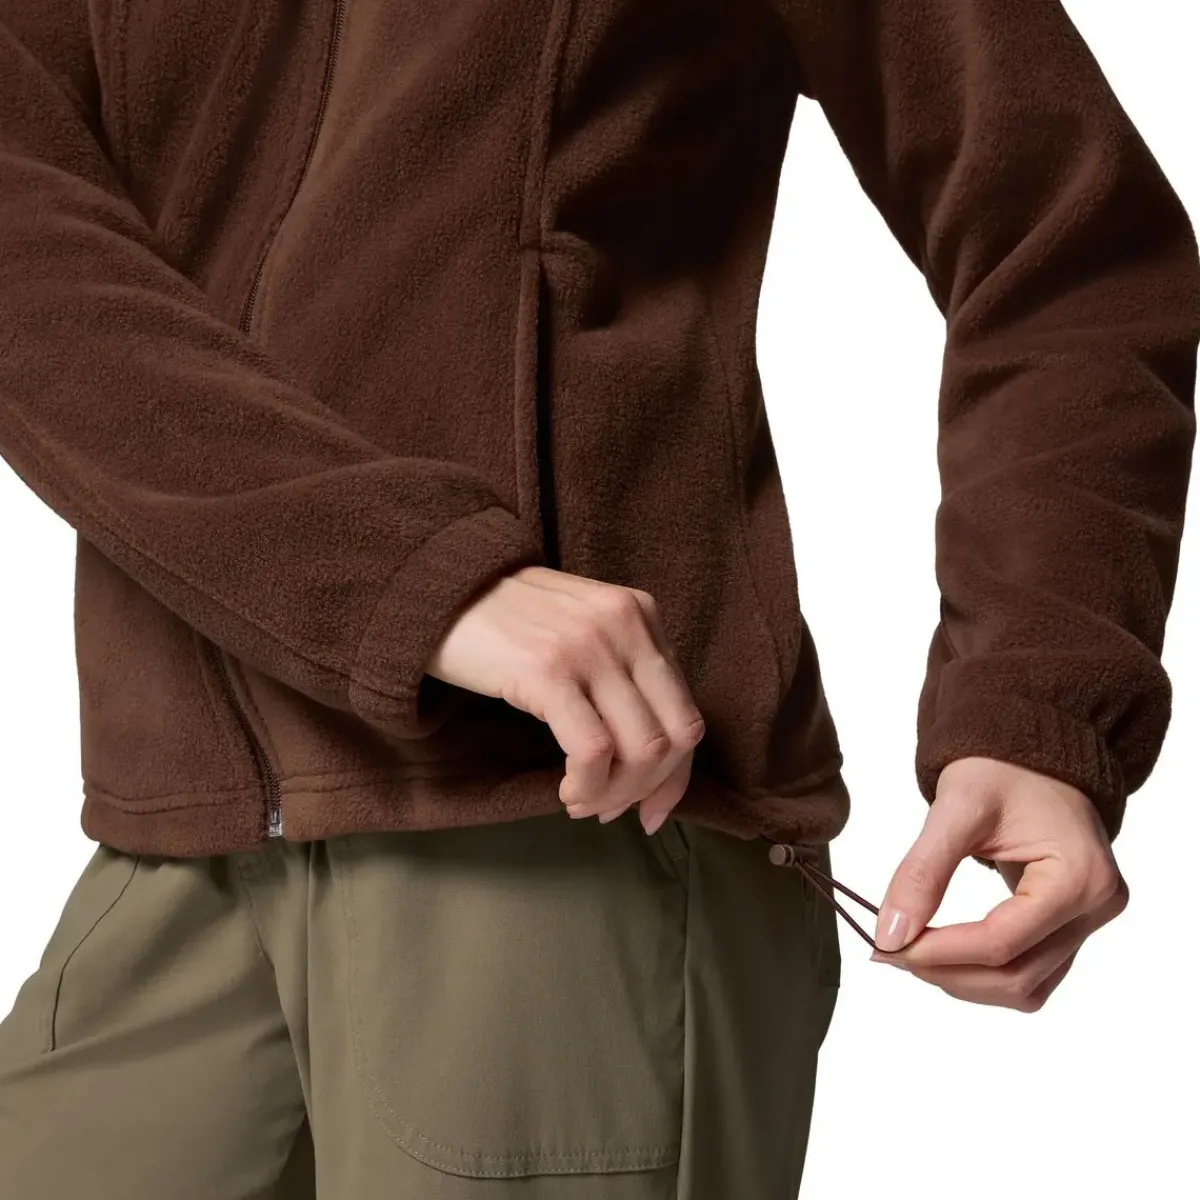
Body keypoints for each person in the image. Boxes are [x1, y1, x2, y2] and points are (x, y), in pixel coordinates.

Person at [0, 0, 1195, 1195]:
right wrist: (396, 576)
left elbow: (1065, 240)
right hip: (176, 833)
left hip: (572, 815)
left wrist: (1040, 702)